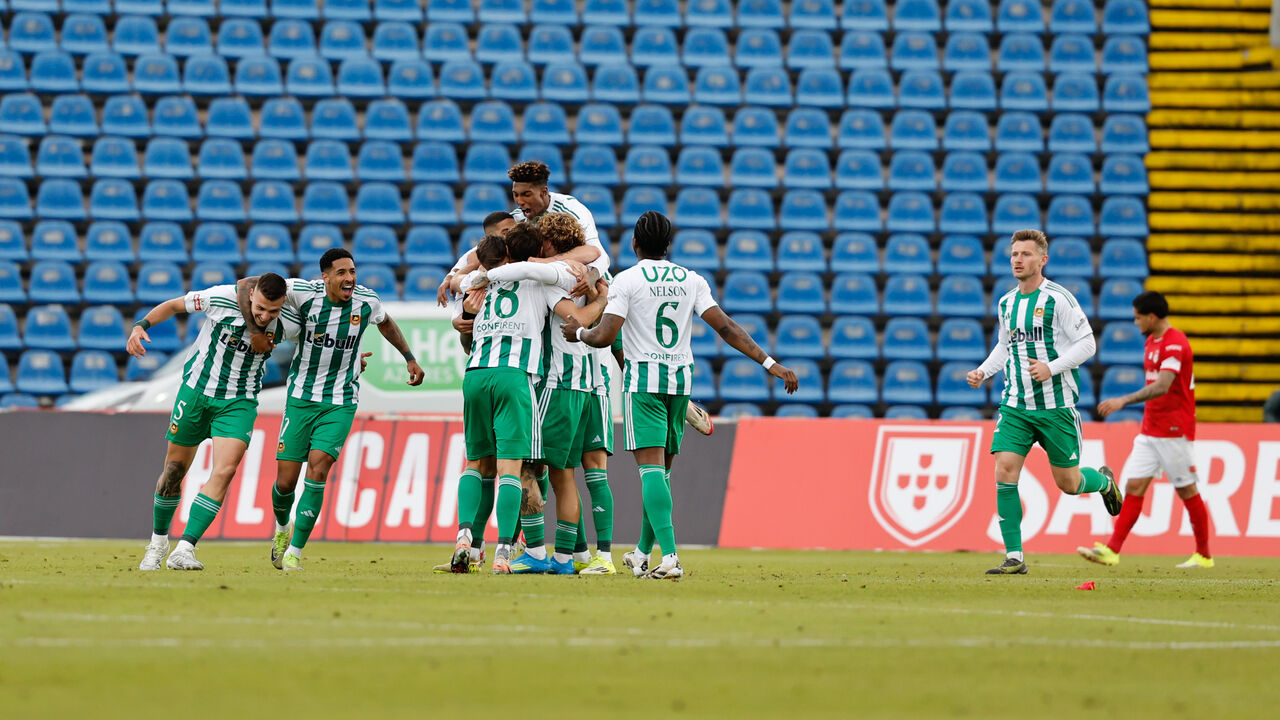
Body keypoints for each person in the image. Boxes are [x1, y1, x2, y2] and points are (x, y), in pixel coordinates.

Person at [564, 211, 798, 580]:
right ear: (668, 245)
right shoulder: (691, 279)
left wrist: (577, 333)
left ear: (635, 244)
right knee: (660, 474)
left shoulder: (627, 280)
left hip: (644, 384)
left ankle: (670, 556)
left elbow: (605, 336)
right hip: (679, 384)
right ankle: (642, 554)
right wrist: (771, 364)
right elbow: (726, 327)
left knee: (650, 471)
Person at [240, 249, 424, 572]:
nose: (349, 278)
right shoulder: (302, 293)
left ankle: (295, 551)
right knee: (284, 482)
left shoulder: (367, 302)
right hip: (300, 398)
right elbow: (246, 286)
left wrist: (408, 356)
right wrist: (256, 333)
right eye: (341, 273)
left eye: (352, 271)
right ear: (325, 277)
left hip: (341, 400)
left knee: (319, 469)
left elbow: (386, 323)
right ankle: (283, 527)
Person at [450, 222, 610, 574]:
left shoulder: (484, 280)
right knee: (511, 467)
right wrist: (600, 295)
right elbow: (576, 314)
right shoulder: (543, 280)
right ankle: (504, 552)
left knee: (475, 463)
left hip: (475, 374)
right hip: (515, 376)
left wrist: (462, 281)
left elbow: (458, 288)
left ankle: (464, 537)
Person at [967, 229, 1123, 575]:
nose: (1018, 260)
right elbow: (1006, 347)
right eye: (1014, 254)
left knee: (1068, 484)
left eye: (1025, 254)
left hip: (1056, 405)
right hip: (1016, 405)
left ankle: (1104, 482)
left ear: (1042, 260)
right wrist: (983, 371)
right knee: (1004, 469)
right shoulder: (1006, 303)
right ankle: (1015, 557)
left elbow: (1087, 344)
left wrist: (1051, 367)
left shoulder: (1059, 299)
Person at [133, 273, 295, 571]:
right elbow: (173, 305)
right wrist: (140, 326)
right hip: (196, 393)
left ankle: (185, 549)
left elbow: (314, 347)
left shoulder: (289, 322)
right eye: (260, 308)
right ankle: (157, 544)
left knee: (225, 470)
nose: (264, 316)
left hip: (239, 402)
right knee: (173, 472)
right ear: (251, 296)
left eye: (272, 311)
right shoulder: (220, 299)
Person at [1078, 291, 1212, 568]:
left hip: (1174, 429)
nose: (1135, 323)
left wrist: (1123, 400)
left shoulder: (1175, 344)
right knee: (1134, 485)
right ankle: (1112, 550)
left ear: (1152, 317)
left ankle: (1204, 554)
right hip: (1151, 429)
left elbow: (1163, 386)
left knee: (1187, 490)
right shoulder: (1151, 341)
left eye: (1138, 318)